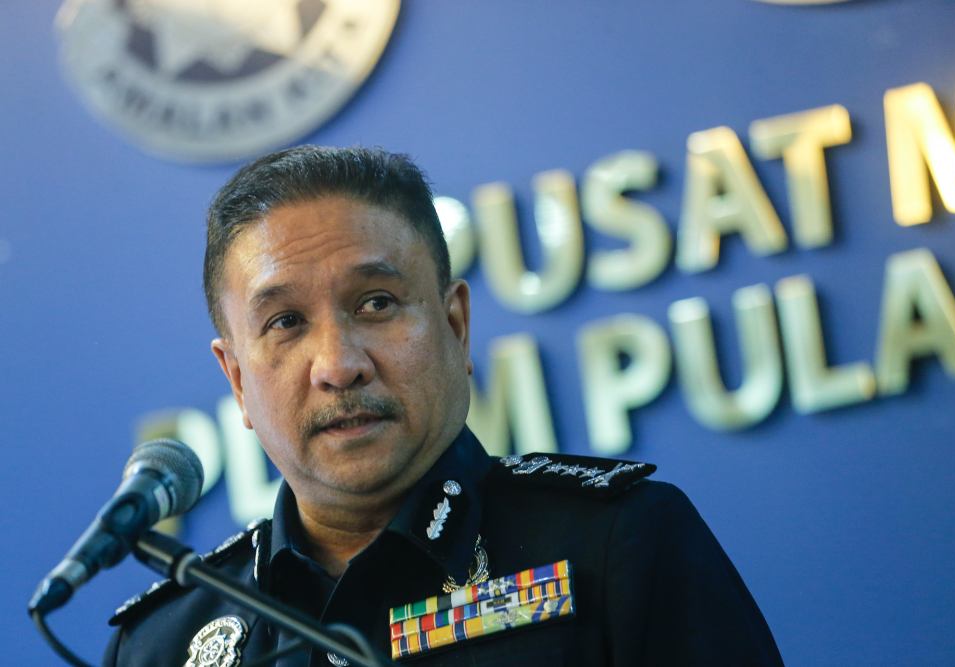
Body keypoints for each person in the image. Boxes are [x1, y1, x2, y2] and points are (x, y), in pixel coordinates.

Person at [104, 146, 784, 666]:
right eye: (284, 322)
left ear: (456, 324)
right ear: (237, 381)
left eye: (376, 303)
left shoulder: (617, 546)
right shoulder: (163, 645)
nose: (339, 364)